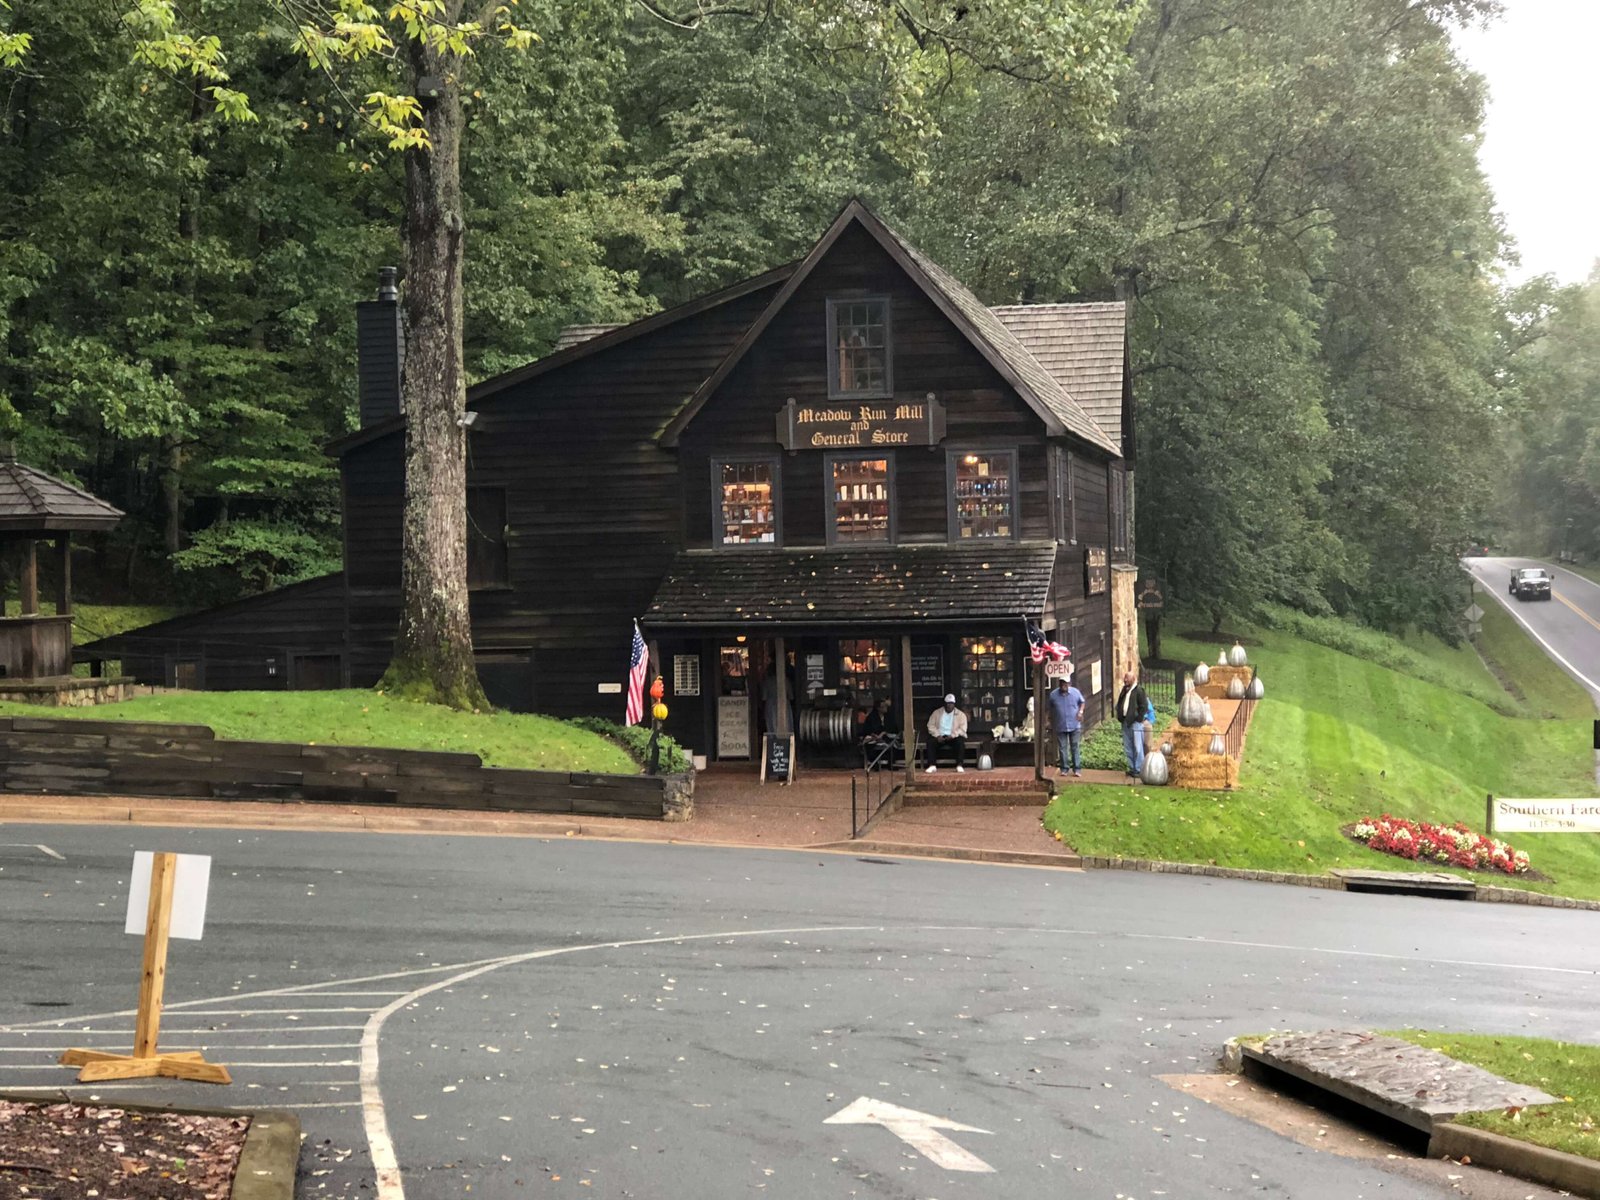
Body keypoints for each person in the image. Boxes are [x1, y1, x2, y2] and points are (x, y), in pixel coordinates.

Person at [1045, 674, 1086, 777]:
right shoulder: (1053, 695)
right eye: (1062, 682)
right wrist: (1048, 720)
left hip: (1075, 724)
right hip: (1060, 725)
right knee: (1063, 748)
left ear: (1069, 683)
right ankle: (1064, 769)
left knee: (1074, 747)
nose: (1064, 685)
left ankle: (1077, 769)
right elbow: (1049, 708)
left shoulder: (1075, 692)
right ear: (1059, 683)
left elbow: (1082, 702)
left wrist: (1080, 712)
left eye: (1066, 683)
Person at [1114, 670, 1148, 777]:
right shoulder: (1125, 690)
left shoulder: (1139, 690)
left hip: (1135, 723)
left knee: (1138, 747)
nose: (1125, 680)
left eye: (1127, 678)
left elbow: (1144, 706)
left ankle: (1139, 769)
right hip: (1125, 722)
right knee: (1128, 747)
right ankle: (1132, 768)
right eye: (1125, 678)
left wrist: (1138, 718)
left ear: (1133, 679)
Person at [924, 694, 969, 773]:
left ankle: (959, 765)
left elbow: (963, 729)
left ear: (954, 704)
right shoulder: (937, 713)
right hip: (940, 736)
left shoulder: (961, 715)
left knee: (960, 742)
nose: (949, 705)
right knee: (931, 742)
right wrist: (937, 735)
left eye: (951, 703)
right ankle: (932, 765)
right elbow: (930, 725)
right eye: (948, 703)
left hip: (953, 736)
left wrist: (952, 735)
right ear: (944, 703)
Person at [860, 698, 898, 770]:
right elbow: (867, 729)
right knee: (868, 746)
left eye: (886, 706)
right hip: (874, 737)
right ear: (878, 708)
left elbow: (893, 728)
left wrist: (884, 733)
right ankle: (875, 763)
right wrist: (874, 735)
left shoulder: (889, 716)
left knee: (893, 744)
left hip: (886, 737)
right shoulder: (871, 717)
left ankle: (891, 763)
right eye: (883, 707)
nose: (885, 708)